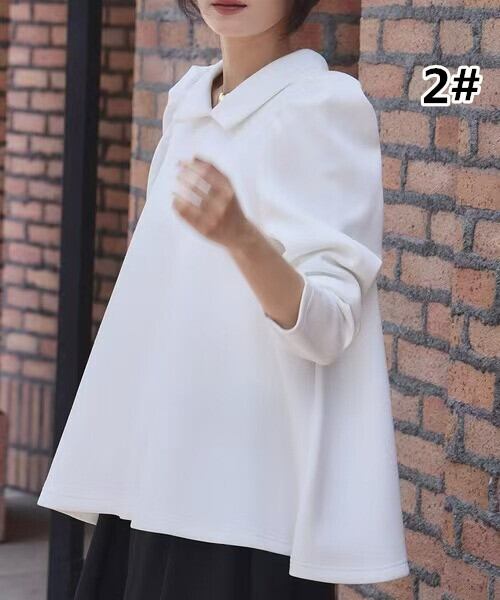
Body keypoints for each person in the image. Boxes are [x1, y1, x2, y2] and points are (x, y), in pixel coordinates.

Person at [37, 0, 410, 598]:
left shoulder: (323, 107)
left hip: (242, 505)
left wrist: (240, 236)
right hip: (152, 481)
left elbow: (329, 326)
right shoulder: (187, 104)